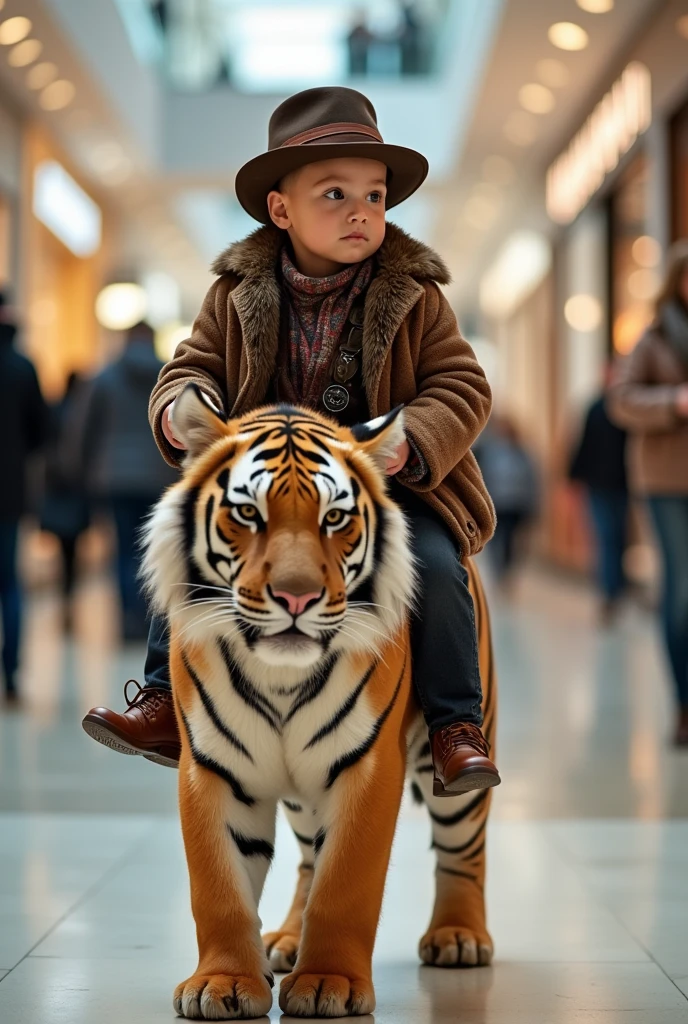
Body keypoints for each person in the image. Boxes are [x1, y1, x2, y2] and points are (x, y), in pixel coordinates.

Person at [83, 86, 500, 794]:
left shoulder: (418, 295)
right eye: (334, 194)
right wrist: (184, 404)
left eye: (374, 196)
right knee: (188, 539)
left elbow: (463, 387)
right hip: (266, 488)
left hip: (382, 487)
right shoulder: (235, 291)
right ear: (281, 209)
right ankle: (162, 698)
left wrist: (411, 442)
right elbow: (193, 365)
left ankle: (456, 723)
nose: (361, 211)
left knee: (434, 559)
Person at [608, 241, 688, 746]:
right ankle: (684, 706)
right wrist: (675, 401)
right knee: (680, 595)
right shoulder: (655, 337)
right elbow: (621, 399)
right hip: (666, 482)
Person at [81, 322, 177, 641]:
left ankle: (127, 621)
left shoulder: (105, 377)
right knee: (152, 551)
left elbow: (85, 429)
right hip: (158, 477)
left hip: (114, 478)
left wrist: (81, 470)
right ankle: (148, 619)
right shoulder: (169, 377)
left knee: (122, 551)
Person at [0, 290, 49, 705]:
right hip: (9, 491)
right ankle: (11, 678)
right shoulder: (22, 367)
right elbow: (43, 431)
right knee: (9, 585)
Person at [570, 370, 629, 624]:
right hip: (599, 485)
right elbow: (583, 444)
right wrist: (573, 476)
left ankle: (613, 590)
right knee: (607, 537)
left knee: (616, 538)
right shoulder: (595, 408)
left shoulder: (624, 410)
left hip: (621, 485)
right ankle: (609, 592)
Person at [40, 372, 92, 631]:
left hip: (57, 491)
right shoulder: (84, 413)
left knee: (63, 550)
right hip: (77, 492)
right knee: (73, 551)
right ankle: (69, 598)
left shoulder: (54, 410)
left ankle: (65, 599)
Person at [476, 416, 538, 587]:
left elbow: (531, 479)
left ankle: (506, 568)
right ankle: (498, 569)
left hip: (515, 503)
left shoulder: (522, 452)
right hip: (496, 502)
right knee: (496, 538)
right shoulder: (488, 450)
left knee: (510, 539)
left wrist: (532, 504)